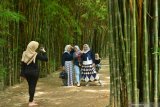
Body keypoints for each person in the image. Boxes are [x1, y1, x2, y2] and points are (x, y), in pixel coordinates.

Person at [20, 41, 48, 106]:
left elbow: (23, 64)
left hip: (27, 73)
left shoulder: (24, 53)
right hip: (34, 73)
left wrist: (22, 74)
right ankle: (30, 102)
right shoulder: (35, 54)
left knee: (30, 86)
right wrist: (44, 52)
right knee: (32, 86)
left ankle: (32, 99)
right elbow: (46, 59)